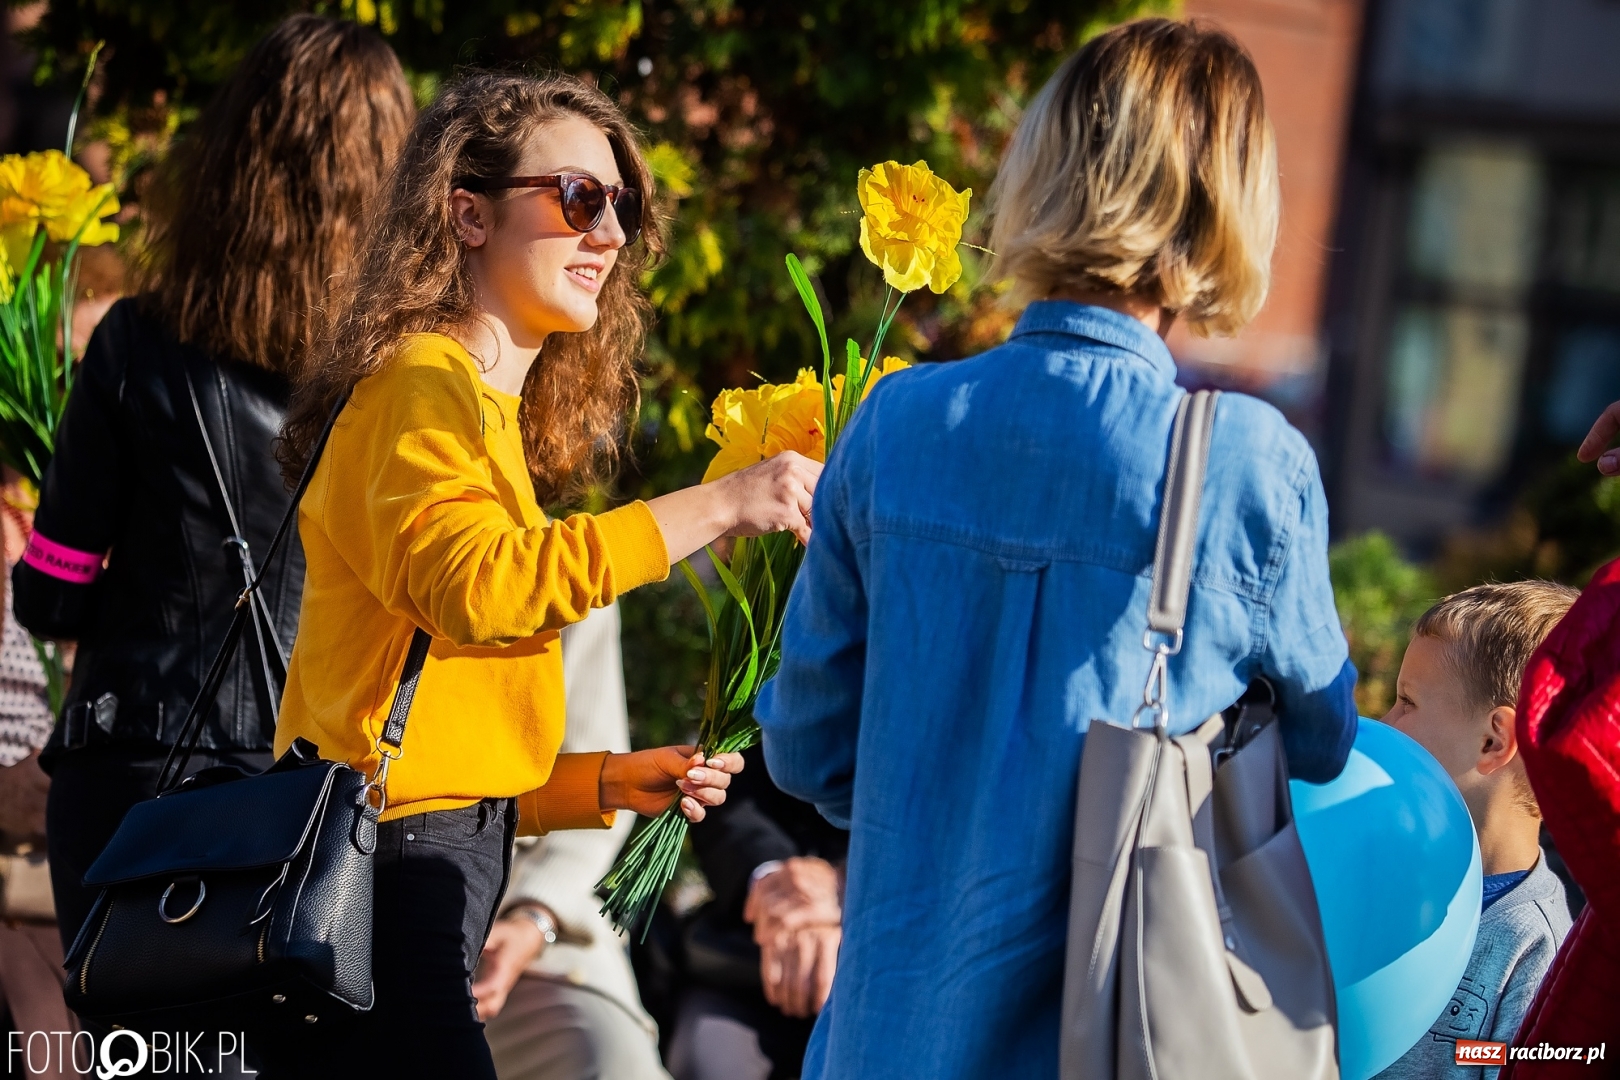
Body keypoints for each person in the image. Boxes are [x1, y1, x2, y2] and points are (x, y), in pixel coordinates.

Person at [755, 18, 1358, 1078]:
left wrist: (939, 795)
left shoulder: (896, 426)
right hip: (1117, 1037)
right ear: (1229, 205)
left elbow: (804, 744)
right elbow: (1316, 746)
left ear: (1046, 164)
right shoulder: (1242, 462)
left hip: (880, 1041)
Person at [267, 71, 820, 1079]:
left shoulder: (475, 417)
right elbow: (480, 590)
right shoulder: (420, 385)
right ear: (467, 213)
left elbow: (438, 753)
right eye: (577, 197)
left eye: (623, 207)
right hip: (392, 890)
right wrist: (728, 502)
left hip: (423, 875)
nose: (608, 232)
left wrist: (603, 782)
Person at [10, 12, 414, 987]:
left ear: (228, 158)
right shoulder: (409, 375)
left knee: (152, 1056)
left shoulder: (135, 344)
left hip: (135, 771)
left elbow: (54, 589)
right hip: (313, 798)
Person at [1377, 582, 1577, 1078]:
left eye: (1406, 701)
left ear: (1493, 740)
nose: (1385, 720)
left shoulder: (1538, 951)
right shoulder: (1377, 871)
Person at [477, 603, 670, 1080]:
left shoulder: (569, 576)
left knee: (614, 1062)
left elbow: (585, 817)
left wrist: (532, 918)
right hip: (343, 924)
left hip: (528, 937)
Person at [665, 747, 848, 1080]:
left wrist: (849, 886)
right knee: (707, 1061)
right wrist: (776, 888)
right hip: (751, 963)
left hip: (911, 975)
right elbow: (729, 793)